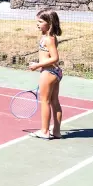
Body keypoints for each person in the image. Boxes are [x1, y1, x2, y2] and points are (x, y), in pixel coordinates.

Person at [28, 8, 63, 139]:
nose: (37, 24)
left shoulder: (49, 39)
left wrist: (37, 65)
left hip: (49, 72)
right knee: (54, 101)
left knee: (45, 101)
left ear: (50, 23)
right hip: (54, 72)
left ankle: (45, 131)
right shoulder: (48, 37)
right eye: (37, 21)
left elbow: (55, 58)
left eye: (40, 21)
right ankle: (56, 132)